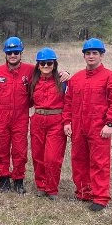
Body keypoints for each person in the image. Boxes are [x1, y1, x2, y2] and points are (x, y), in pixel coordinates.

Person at [63, 38, 112, 211]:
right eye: (88, 53)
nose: (91, 56)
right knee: (79, 159)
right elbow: (68, 102)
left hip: (99, 127)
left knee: (99, 162)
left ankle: (100, 197)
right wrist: (67, 121)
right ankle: (83, 193)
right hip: (78, 126)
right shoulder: (75, 79)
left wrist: (110, 123)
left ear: (101, 55)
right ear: (84, 56)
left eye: (95, 53)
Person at [0, 36, 35, 194]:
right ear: (5, 54)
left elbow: (49, 73)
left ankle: (19, 180)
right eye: (9, 53)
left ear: (21, 52)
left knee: (20, 150)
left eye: (16, 52)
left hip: (20, 116)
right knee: (1, 149)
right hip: (1, 116)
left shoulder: (30, 70)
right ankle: (3, 179)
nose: (13, 55)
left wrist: (66, 73)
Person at [29, 48, 66, 201]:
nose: (46, 65)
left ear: (54, 64)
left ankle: (52, 188)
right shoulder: (33, 82)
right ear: (38, 65)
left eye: (49, 63)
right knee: (38, 156)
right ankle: (41, 186)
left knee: (52, 158)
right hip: (37, 120)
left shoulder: (63, 81)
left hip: (56, 121)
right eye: (42, 63)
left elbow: (69, 102)